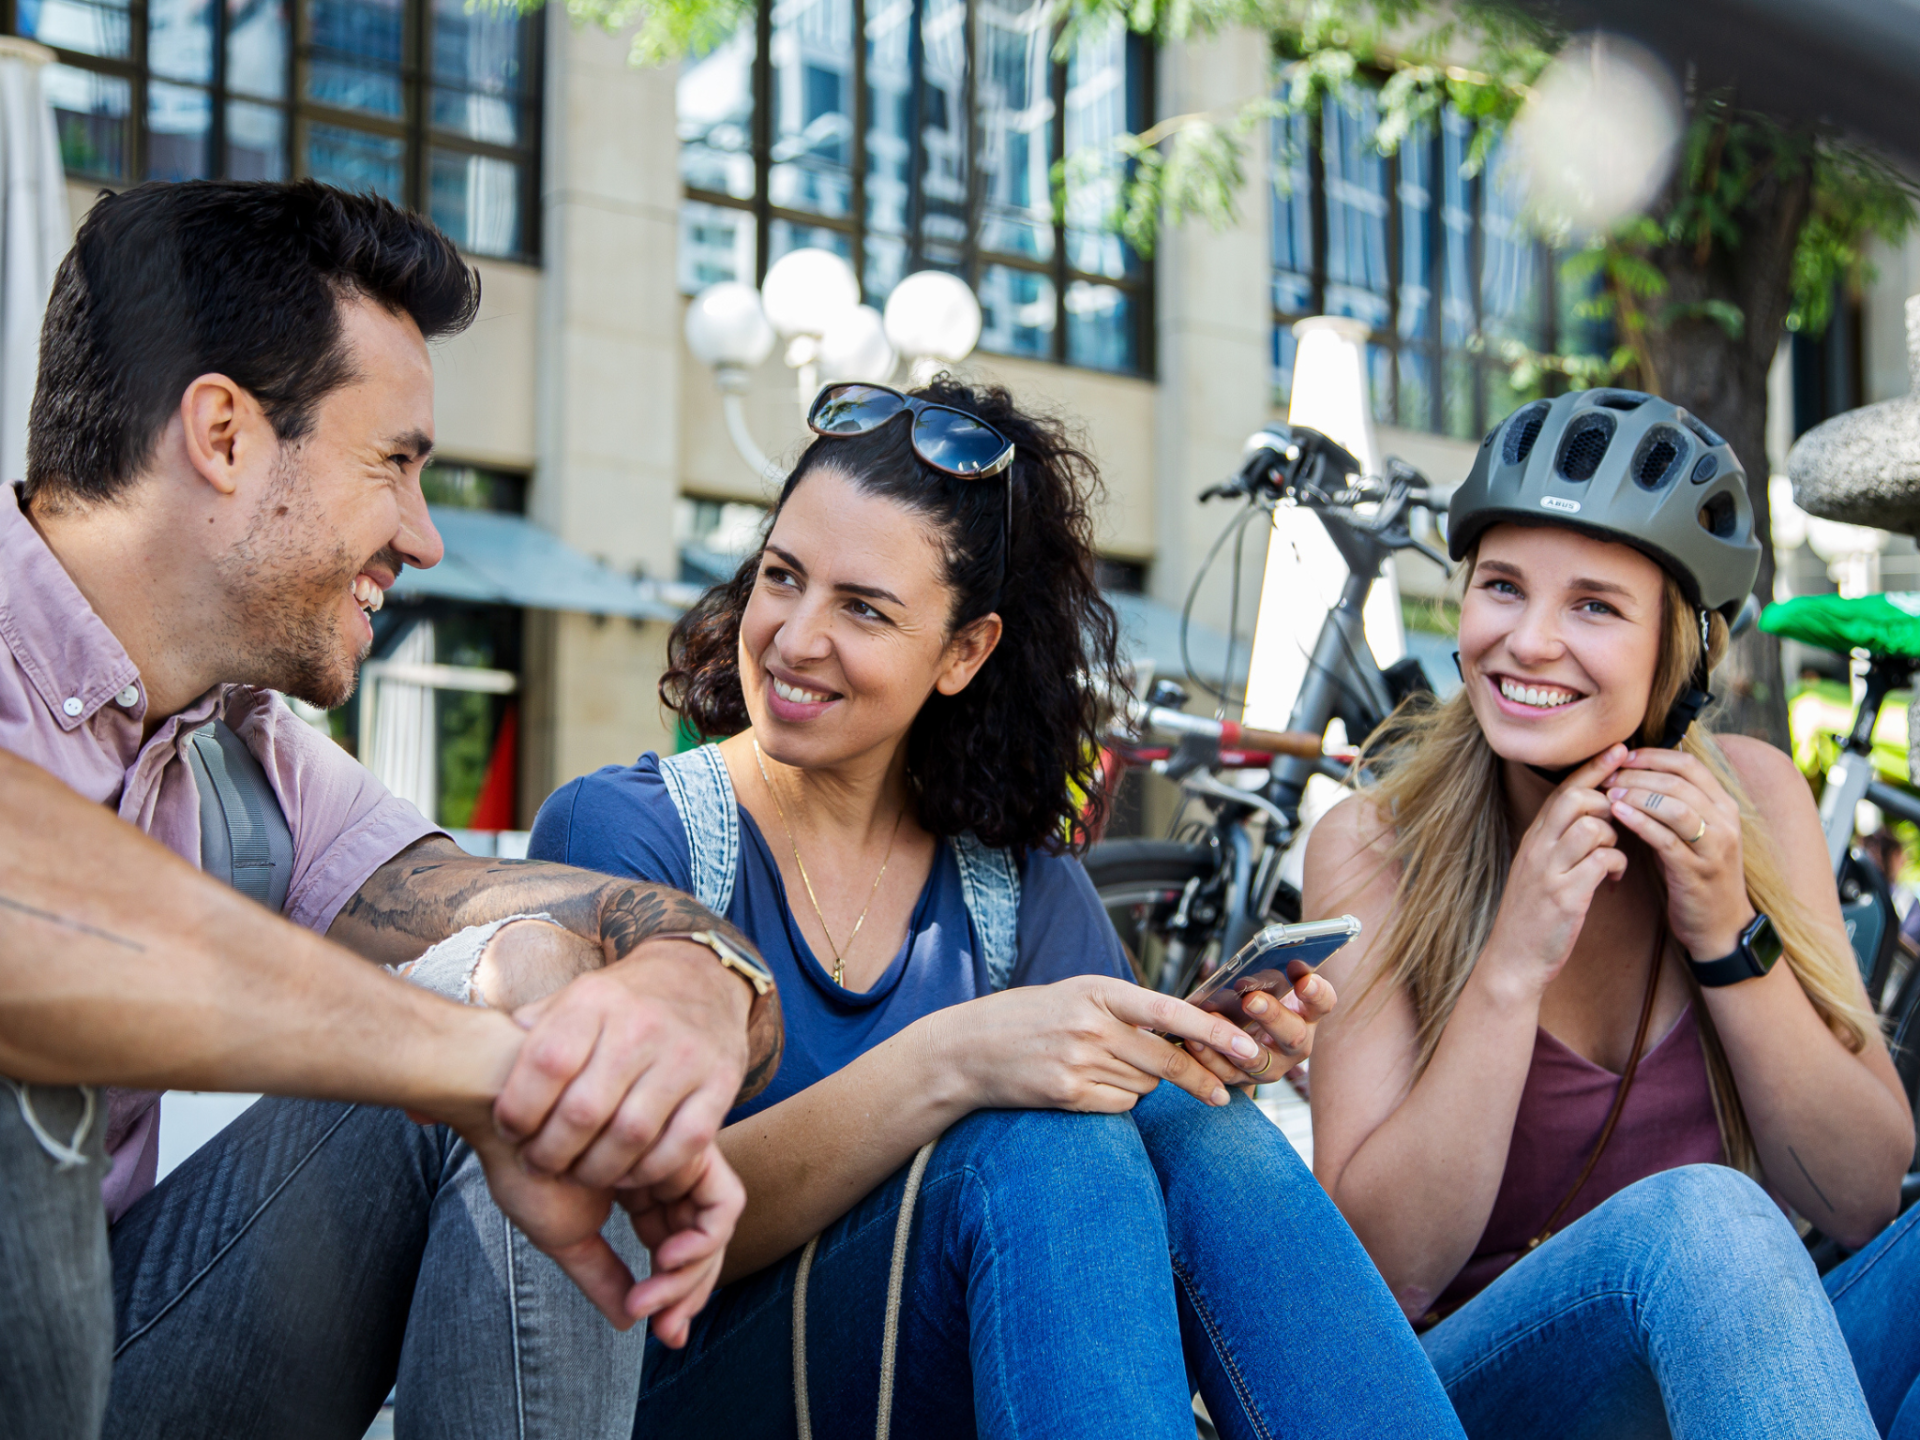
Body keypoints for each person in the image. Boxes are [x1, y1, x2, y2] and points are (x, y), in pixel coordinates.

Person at [529, 377, 1468, 1440]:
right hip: (687, 1389)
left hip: (940, 1388)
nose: (793, 638)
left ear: (964, 653)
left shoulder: (1008, 880)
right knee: (1041, 1147)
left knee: (1171, 1120)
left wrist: (1199, 1054)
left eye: (863, 608)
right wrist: (954, 1061)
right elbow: (628, 1228)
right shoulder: (626, 835)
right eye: (782, 579)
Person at [1, 179, 783, 1440]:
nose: (423, 538)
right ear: (223, 433)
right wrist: (470, 1065)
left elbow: (525, 906)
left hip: (110, 1362)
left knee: (566, 1082)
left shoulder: (242, 750)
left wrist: (680, 992)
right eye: (396, 465)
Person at [1303, 389, 1920, 1439]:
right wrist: (1510, 965)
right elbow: (1381, 1275)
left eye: (1594, 605)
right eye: (1502, 587)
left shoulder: (1759, 801)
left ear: (1682, 651)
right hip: (1482, 1392)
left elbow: (1863, 1198)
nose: (1529, 642)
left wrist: (1727, 935)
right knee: (1709, 1218)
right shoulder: (1373, 847)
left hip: (1740, 1381)